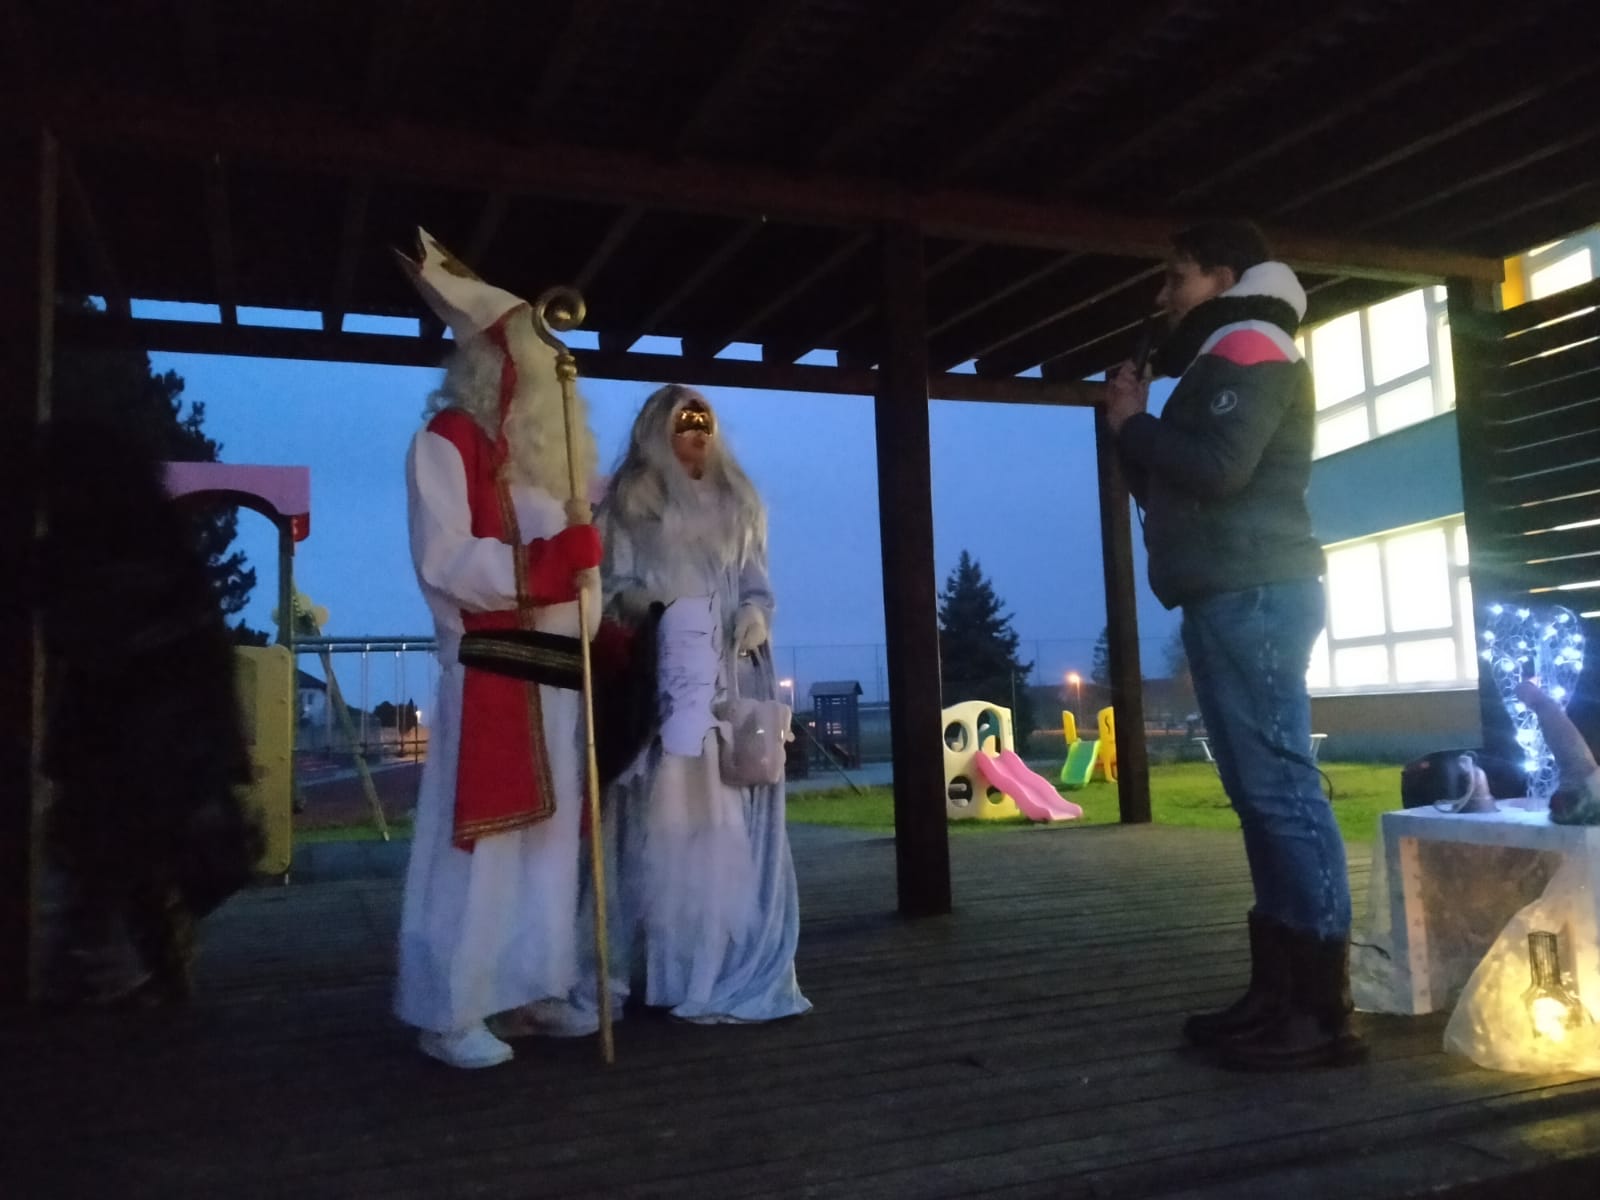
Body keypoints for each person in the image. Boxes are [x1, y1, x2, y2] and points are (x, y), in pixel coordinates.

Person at [1106, 220, 1359, 1070]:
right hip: (1227, 591)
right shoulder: (1227, 349)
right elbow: (1173, 487)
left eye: (1174, 275)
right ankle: (1279, 993)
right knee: (1258, 794)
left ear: (1222, 275)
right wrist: (1131, 431)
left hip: (1255, 592)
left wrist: (1136, 423)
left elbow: (1218, 468)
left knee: (1280, 791)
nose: (1163, 295)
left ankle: (1321, 1011)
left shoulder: (1252, 342)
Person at [393, 230, 604, 1069]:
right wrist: (554, 566)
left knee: (549, 849)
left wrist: (589, 600)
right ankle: (451, 1011)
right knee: (480, 851)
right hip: (492, 676)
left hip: (557, 682)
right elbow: (445, 561)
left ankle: (532, 986)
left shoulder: (558, 475)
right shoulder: (447, 442)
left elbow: (581, 576)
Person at [591, 384, 810, 1024]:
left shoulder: (738, 504)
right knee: (660, 816)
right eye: (682, 427)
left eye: (701, 426)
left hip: (725, 684)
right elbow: (613, 584)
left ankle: (714, 961)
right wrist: (651, 613)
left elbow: (757, 586)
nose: (694, 438)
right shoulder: (630, 504)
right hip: (660, 681)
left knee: (719, 818)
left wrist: (753, 617)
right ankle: (658, 967)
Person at [41, 413, 262, 1006]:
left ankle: (119, 970)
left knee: (108, 862)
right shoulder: (161, 549)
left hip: (129, 738)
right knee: (134, 868)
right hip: (166, 739)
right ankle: (139, 970)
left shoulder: (90, 552)